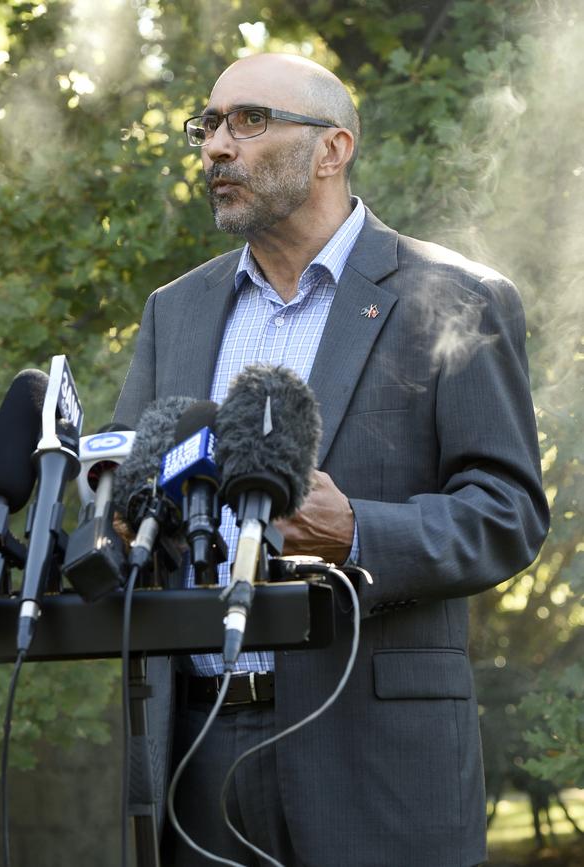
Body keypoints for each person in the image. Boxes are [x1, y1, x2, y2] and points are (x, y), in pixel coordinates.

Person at [115, 53, 549, 867]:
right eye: (206, 125)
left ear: (332, 149)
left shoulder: (453, 295)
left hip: (377, 757)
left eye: (248, 120)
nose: (215, 146)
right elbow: (128, 487)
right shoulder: (174, 312)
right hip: (194, 756)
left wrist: (355, 531)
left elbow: (508, 513)